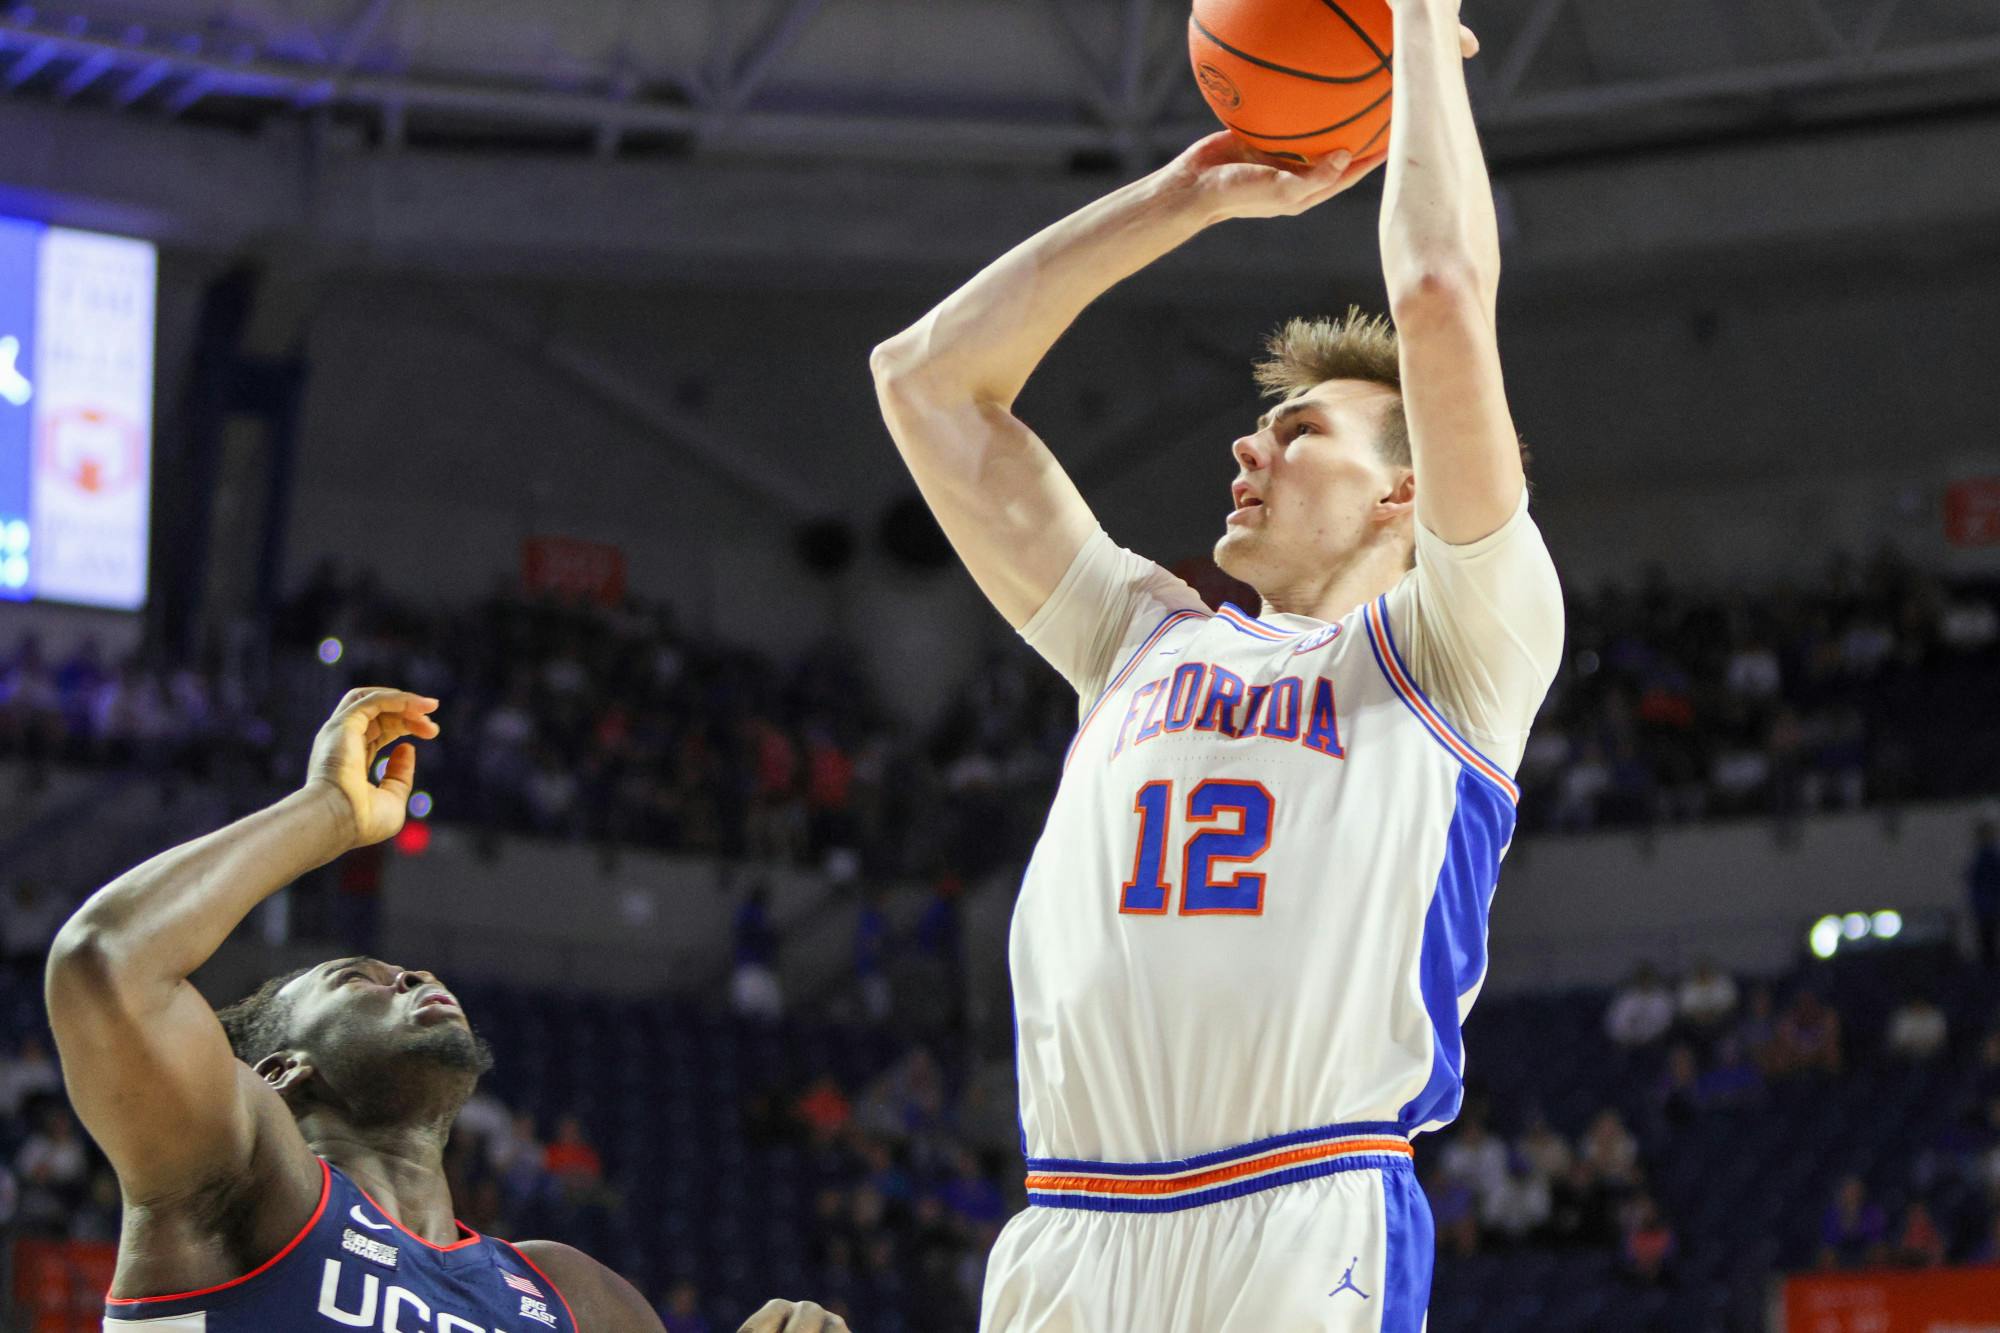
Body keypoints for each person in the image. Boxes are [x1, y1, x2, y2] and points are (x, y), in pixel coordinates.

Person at [872, 3, 1559, 1326]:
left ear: (1402, 491)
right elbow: (926, 383)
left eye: (1298, 432)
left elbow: (1437, 296)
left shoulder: (1463, 645)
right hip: (1069, 1230)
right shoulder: (1136, 636)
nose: (1247, 452)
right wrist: (1182, 198)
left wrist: (1411, 21)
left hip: (1302, 1214)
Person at [47, 687, 847, 1333]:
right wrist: (328, 811)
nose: (412, 975)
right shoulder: (243, 1179)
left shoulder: (574, 1293)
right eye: (359, 977)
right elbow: (107, 963)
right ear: (283, 1070)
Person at [1970, 819, 2000, 968]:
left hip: (1987, 905)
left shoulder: (1987, 857)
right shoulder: (1985, 857)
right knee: (1987, 940)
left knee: (1988, 940)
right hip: (1986, 906)